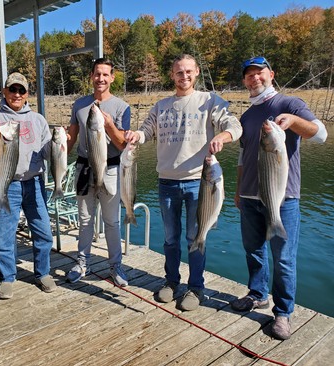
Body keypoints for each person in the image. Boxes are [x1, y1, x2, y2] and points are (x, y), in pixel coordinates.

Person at [125, 54, 242, 311]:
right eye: (179, 72)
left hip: (200, 183)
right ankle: (171, 281)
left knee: (195, 237)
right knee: (169, 238)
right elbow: (146, 131)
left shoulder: (210, 101)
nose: (184, 76)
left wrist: (223, 136)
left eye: (189, 71)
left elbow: (234, 124)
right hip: (166, 182)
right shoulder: (161, 106)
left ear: (197, 72)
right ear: (172, 74)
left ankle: (196, 287)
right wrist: (137, 136)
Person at [231, 56, 327, 340]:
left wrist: (295, 121)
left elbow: (320, 135)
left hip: (282, 198)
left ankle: (283, 312)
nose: (254, 78)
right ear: (245, 81)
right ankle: (258, 294)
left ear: (271, 74)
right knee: (254, 251)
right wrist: (237, 190)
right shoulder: (247, 116)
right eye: (249, 75)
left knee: (284, 258)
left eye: (259, 73)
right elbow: (242, 156)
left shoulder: (290, 104)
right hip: (248, 197)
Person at [0, 72, 56, 300]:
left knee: (43, 231)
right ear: (5, 91)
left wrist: (59, 145)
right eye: (13, 89)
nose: (17, 94)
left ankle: (42, 273)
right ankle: (7, 277)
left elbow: (46, 151)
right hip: (6, 183)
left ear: (27, 94)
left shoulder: (38, 120)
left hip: (34, 183)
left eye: (21, 90)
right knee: (5, 233)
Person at [66, 58, 131, 286]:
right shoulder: (79, 105)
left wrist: (110, 125)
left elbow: (123, 144)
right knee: (85, 220)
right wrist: (58, 145)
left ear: (112, 77)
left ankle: (116, 266)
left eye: (105, 74)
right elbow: (71, 138)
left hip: (110, 168)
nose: (101, 79)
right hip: (84, 168)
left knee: (111, 221)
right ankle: (82, 262)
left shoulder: (122, 107)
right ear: (91, 76)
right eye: (97, 74)